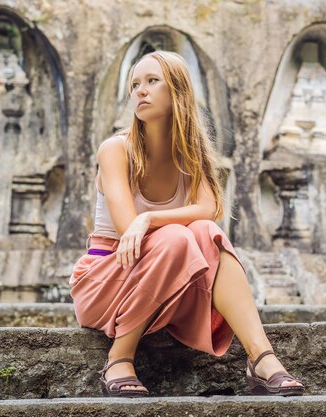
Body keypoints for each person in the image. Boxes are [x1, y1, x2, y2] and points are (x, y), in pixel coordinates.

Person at [69, 50, 305, 397]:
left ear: (177, 90)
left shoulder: (190, 156)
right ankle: (119, 358)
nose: (140, 91)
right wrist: (152, 223)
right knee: (179, 236)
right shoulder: (115, 149)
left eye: (152, 81)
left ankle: (261, 357)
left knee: (206, 233)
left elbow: (209, 209)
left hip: (166, 286)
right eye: (135, 84)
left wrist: (150, 216)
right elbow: (125, 229)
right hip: (106, 280)